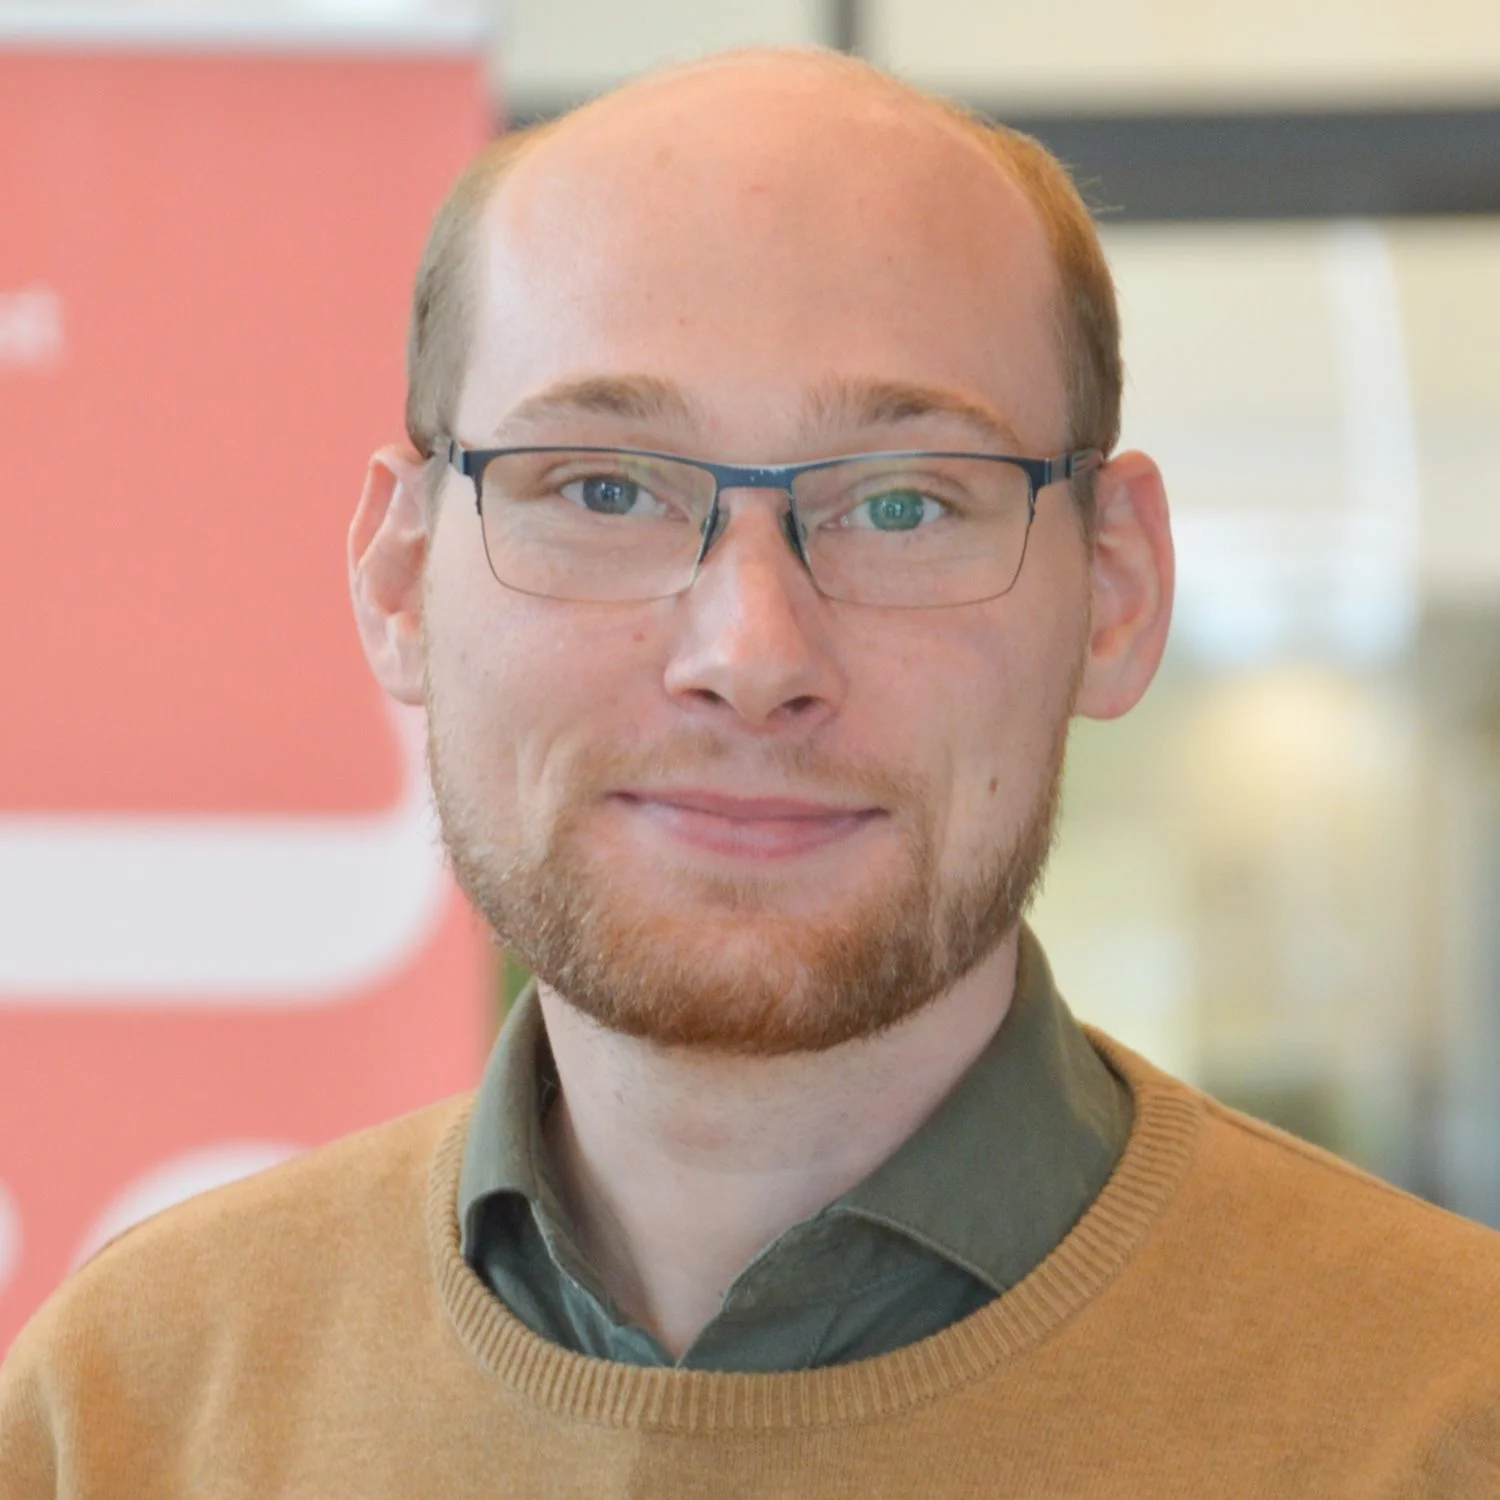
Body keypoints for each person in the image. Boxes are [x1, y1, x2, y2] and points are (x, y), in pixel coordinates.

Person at [3, 46, 1499, 1498]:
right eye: (602, 486)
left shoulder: (1452, 1415)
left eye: (906, 504)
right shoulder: (128, 1416)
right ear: (401, 583)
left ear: (1114, 591)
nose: (751, 650)